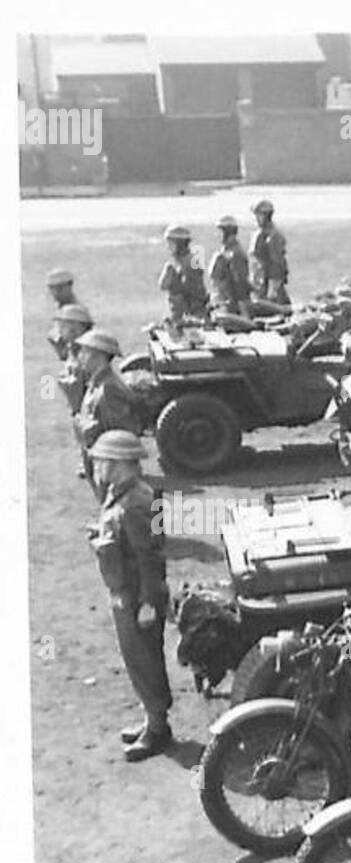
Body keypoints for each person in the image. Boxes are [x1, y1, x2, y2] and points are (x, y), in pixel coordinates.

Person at [86, 431, 172, 761]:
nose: (98, 467)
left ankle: (157, 730)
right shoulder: (131, 493)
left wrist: (150, 602)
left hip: (137, 595)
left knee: (144, 661)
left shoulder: (133, 502)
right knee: (140, 660)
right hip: (132, 590)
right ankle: (152, 719)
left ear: (119, 464)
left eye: (103, 462)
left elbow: (151, 556)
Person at [73, 329, 140, 493]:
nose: (80, 356)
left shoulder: (109, 388)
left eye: (84, 352)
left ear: (97, 356)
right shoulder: (99, 382)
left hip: (110, 467)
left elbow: (118, 431)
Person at [158, 224, 208, 323]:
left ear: (179, 244)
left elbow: (194, 292)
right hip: (184, 314)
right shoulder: (180, 262)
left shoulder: (191, 262)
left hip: (193, 315)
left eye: (170, 244)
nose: (168, 248)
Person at [208, 215, 252, 316]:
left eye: (220, 232)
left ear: (227, 232)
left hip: (232, 306)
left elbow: (240, 284)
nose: (217, 235)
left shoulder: (236, 254)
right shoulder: (224, 252)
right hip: (222, 301)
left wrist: (241, 309)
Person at [251, 199, 290, 304]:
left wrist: (273, 287)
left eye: (258, 215)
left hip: (270, 285)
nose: (256, 219)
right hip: (259, 281)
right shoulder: (259, 235)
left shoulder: (274, 236)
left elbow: (277, 263)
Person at [46, 268, 86, 359]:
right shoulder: (61, 309)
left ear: (69, 286)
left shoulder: (76, 313)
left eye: (59, 288)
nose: (55, 293)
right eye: (52, 288)